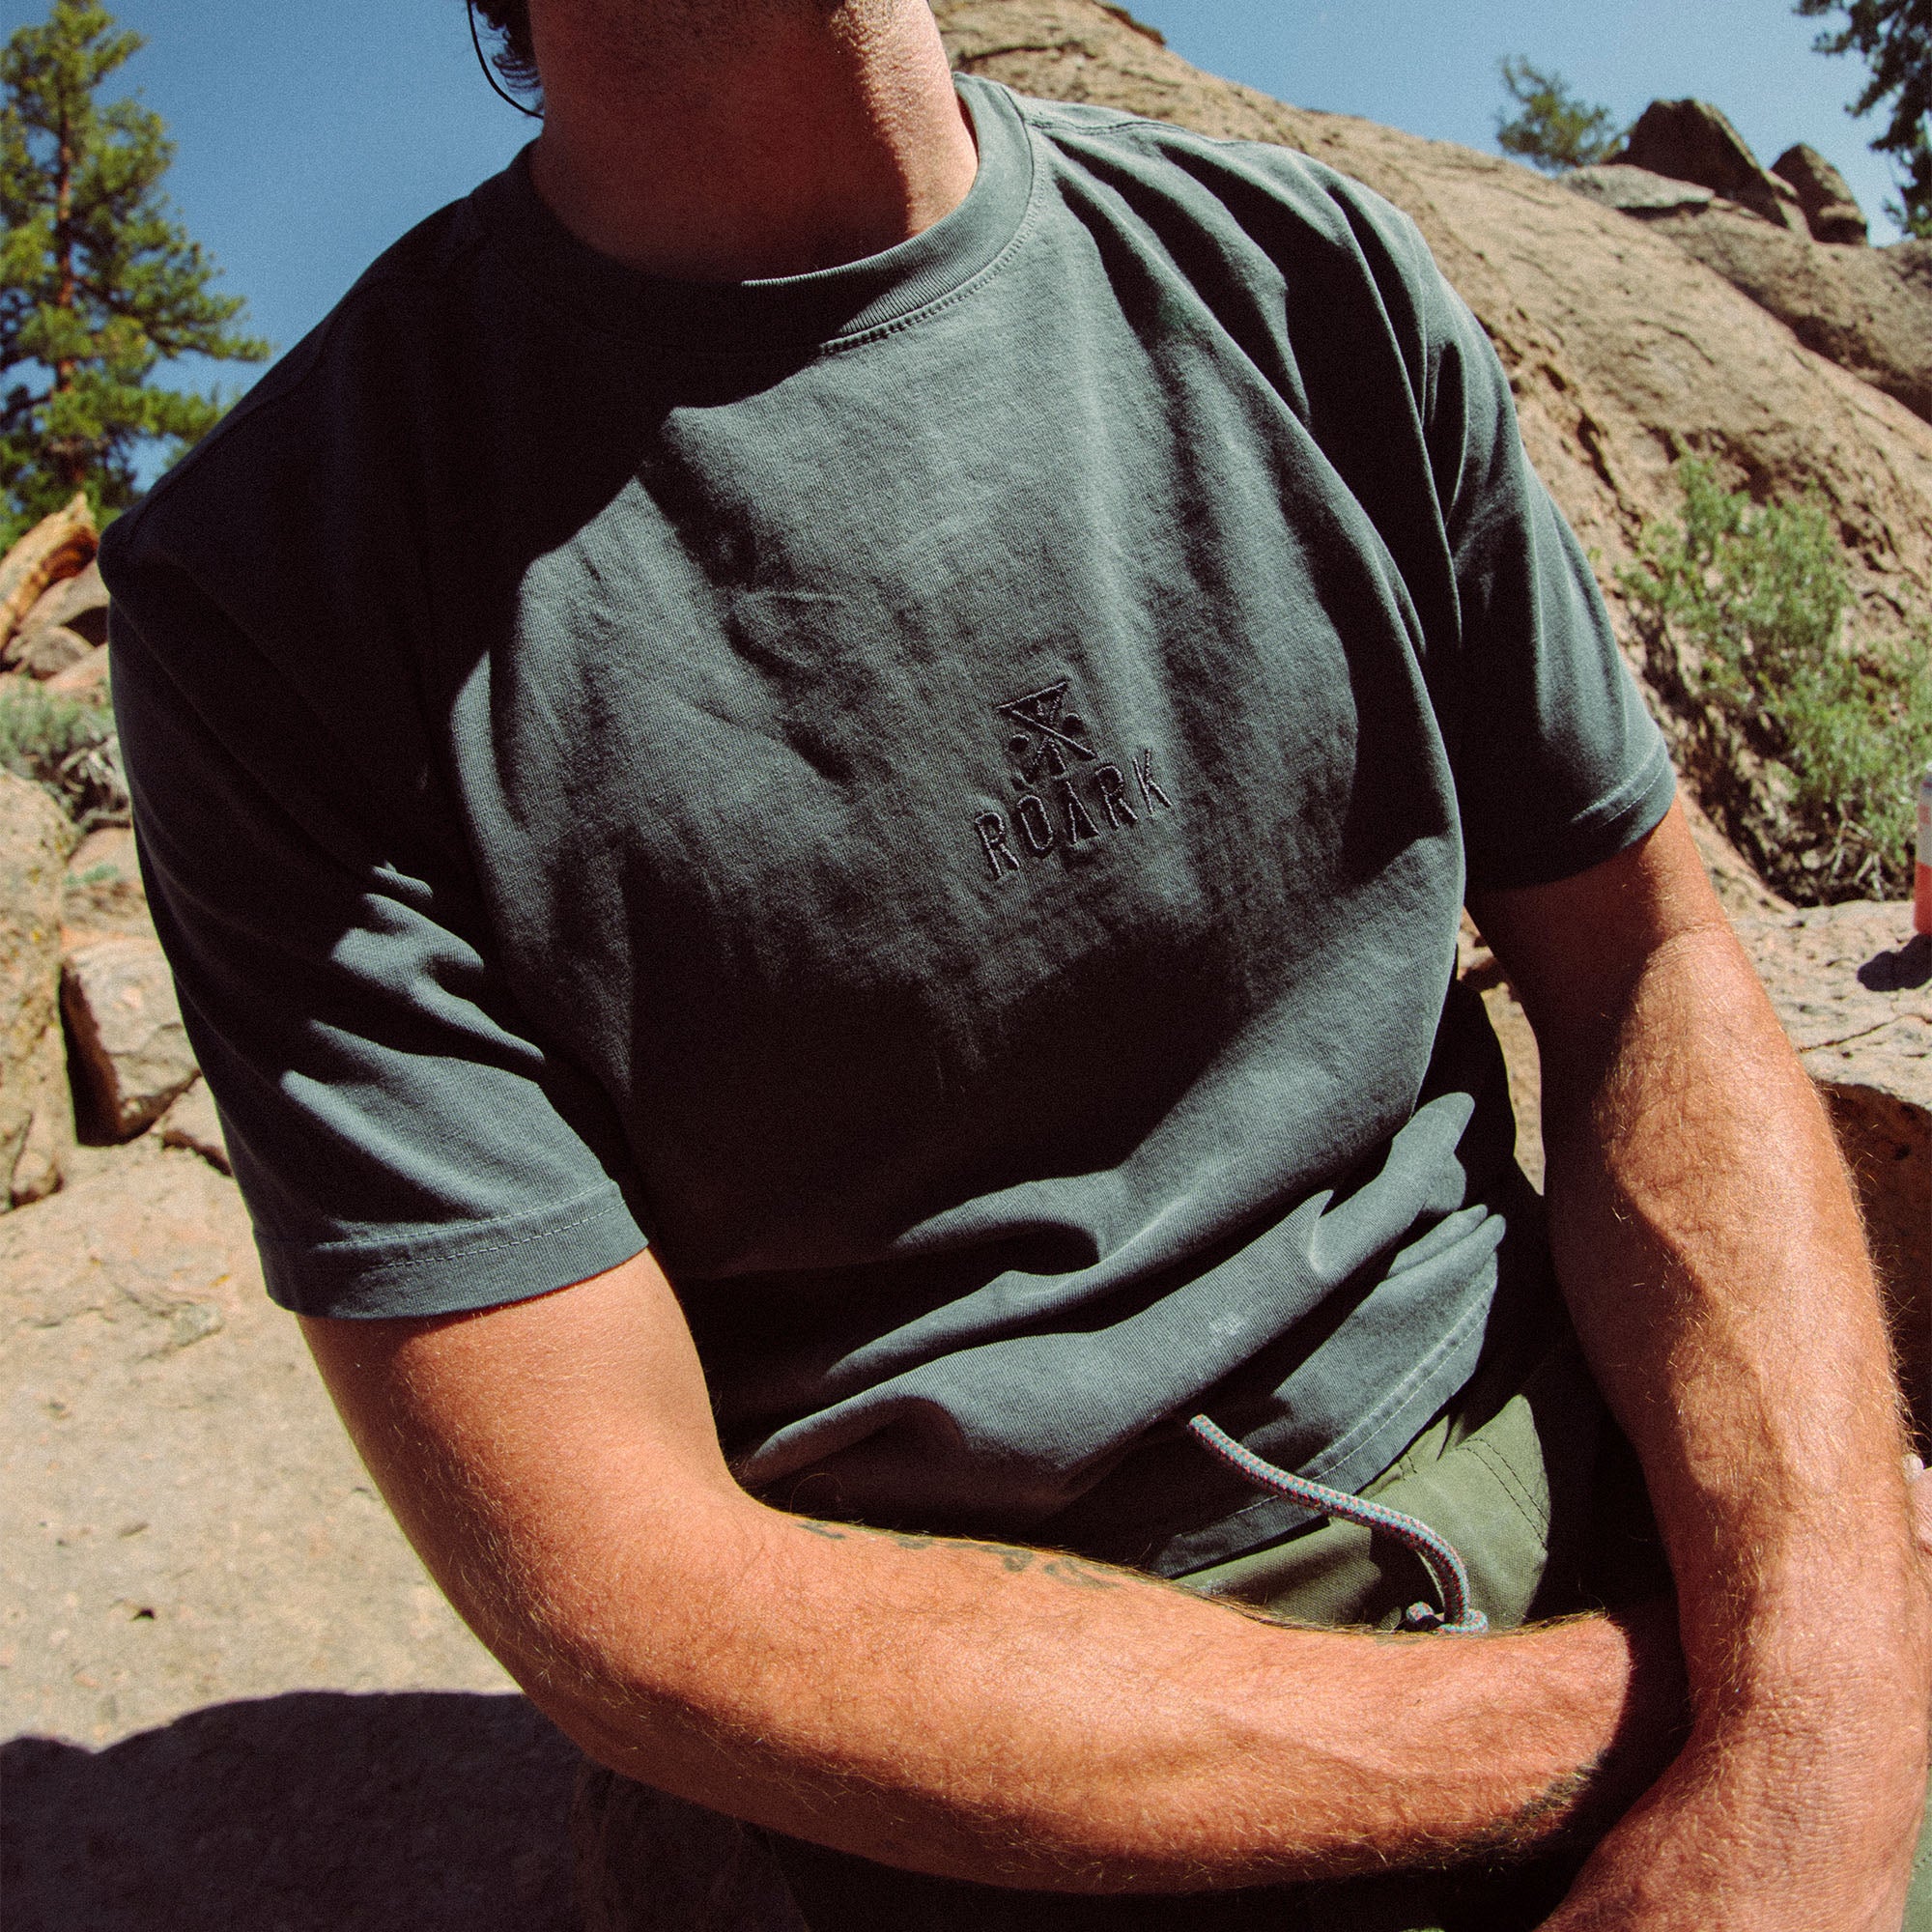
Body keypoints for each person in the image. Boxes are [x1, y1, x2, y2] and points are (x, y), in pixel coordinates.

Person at [99, 1, 1931, 1925]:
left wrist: (1809, 1735)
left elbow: (1648, 965)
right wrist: (1612, 1727)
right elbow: (624, 1582)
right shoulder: (273, 592)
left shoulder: (1306, 276)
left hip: (1567, 1477)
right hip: (955, 1763)